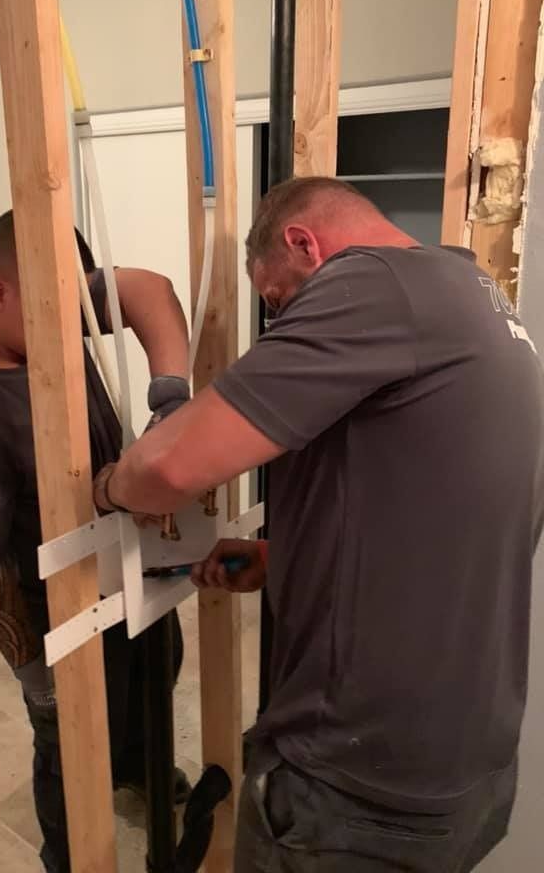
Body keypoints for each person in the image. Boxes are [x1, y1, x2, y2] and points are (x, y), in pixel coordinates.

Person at [93, 177, 544, 873]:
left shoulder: (374, 284)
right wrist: (285, 558)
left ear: (305, 243)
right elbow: (444, 522)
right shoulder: (483, 305)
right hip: (465, 766)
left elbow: (168, 468)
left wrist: (110, 487)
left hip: (356, 790)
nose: (281, 323)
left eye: (277, 302)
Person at [0, 210, 192, 873]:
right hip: (64, 617)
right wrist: (38, 683)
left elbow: (150, 289)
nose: (75, 330)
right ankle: (70, 858)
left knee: (157, 675)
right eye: (59, 313)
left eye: (79, 308)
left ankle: (142, 768)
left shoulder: (52, 303)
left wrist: (171, 401)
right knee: (73, 753)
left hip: (128, 567)